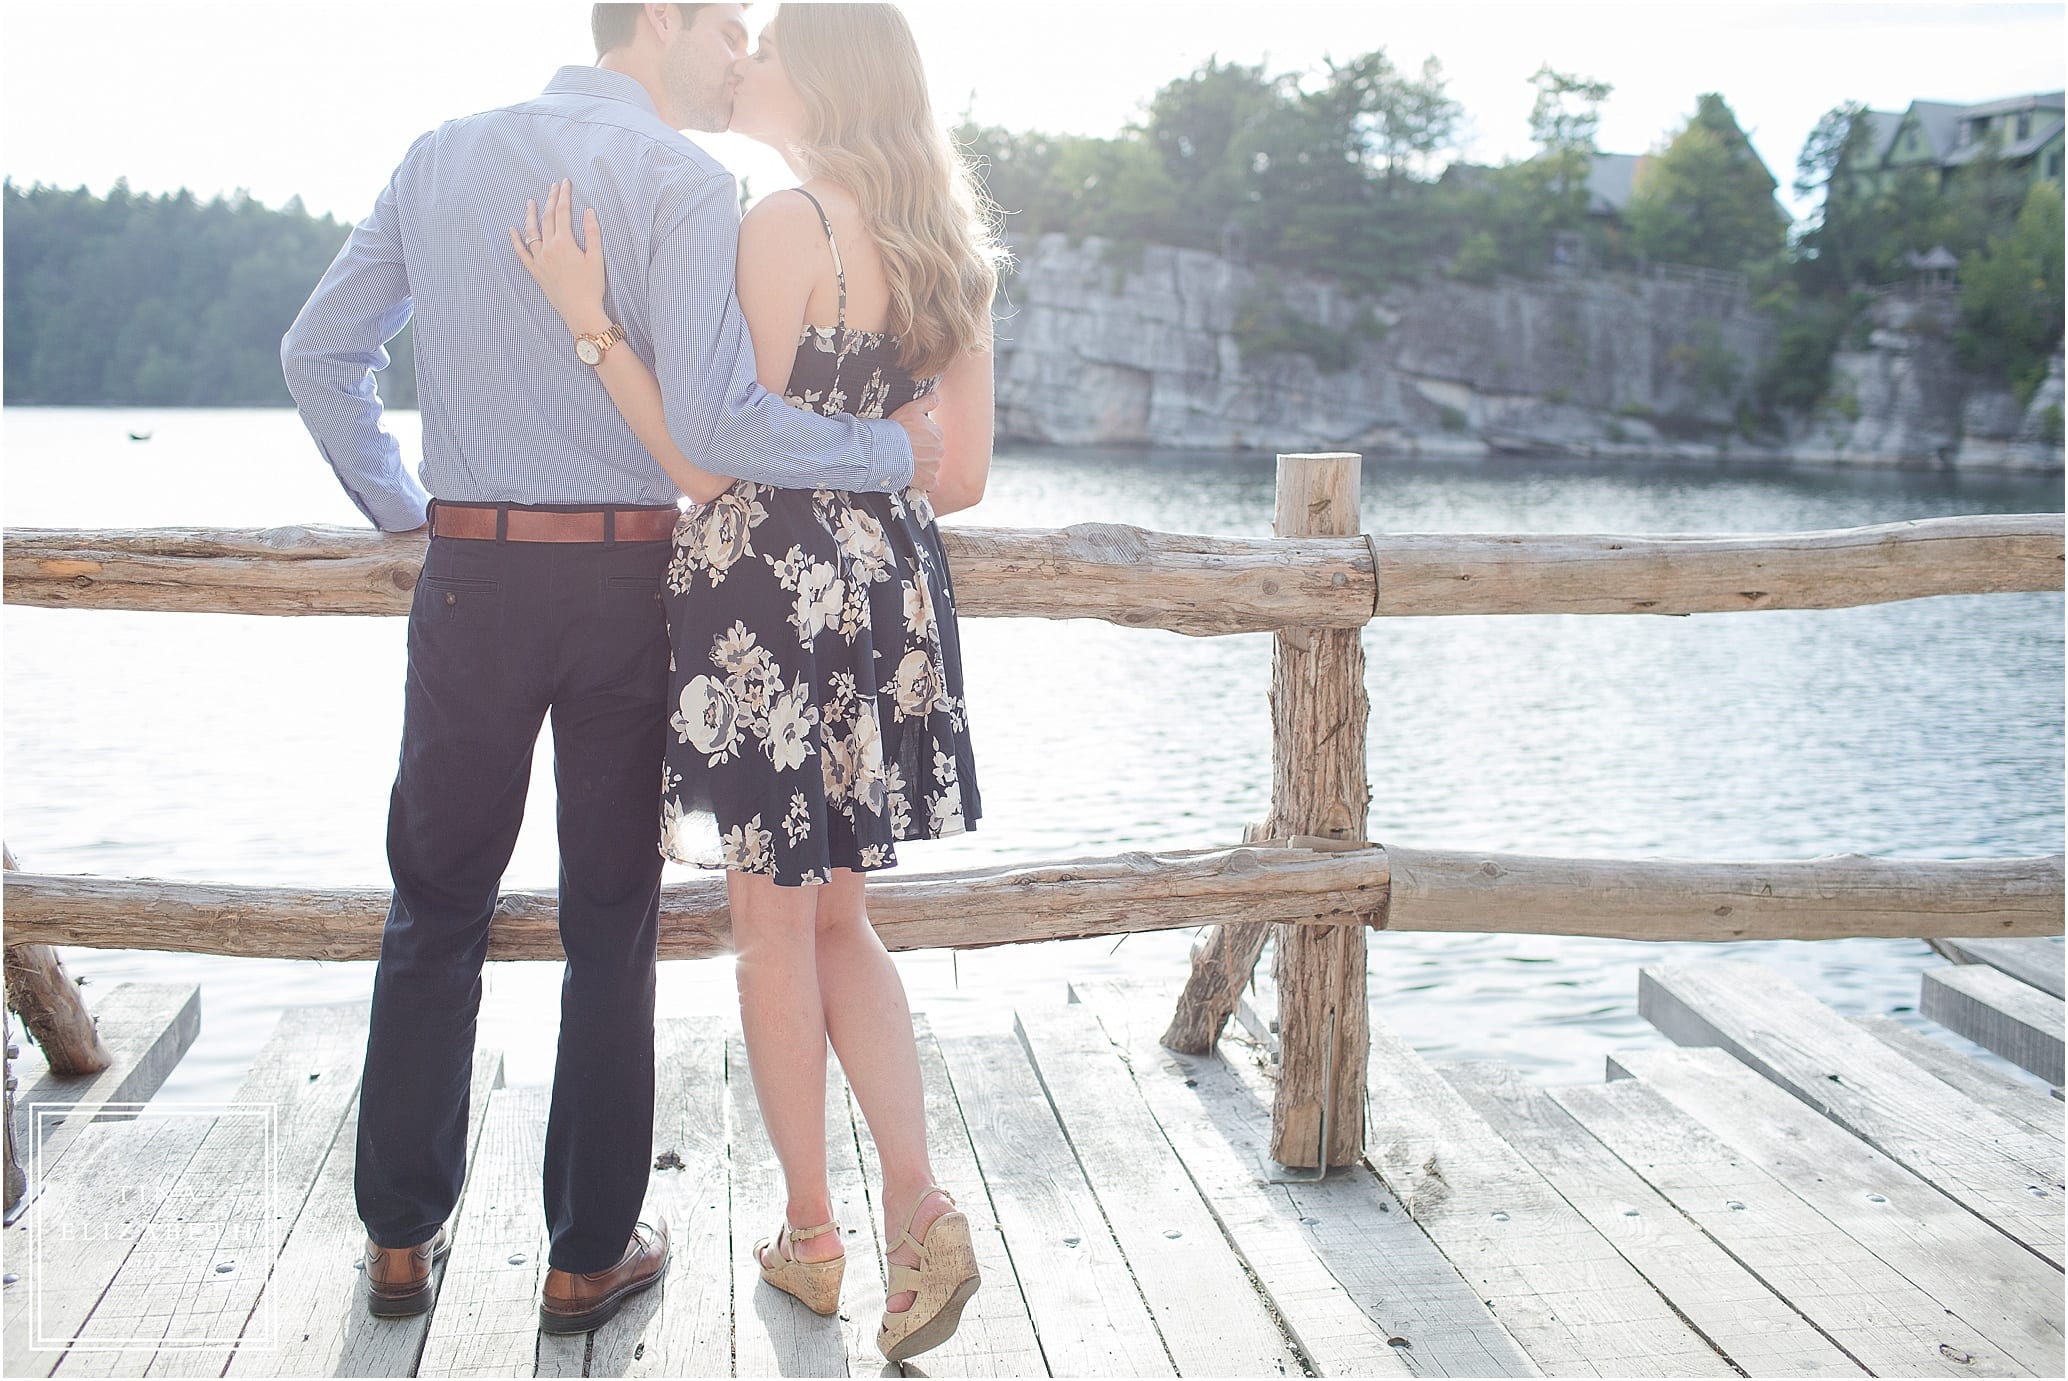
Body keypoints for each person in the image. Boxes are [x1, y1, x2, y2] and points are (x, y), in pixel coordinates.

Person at [280, 1, 942, 1336]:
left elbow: (318, 356)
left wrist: (411, 510)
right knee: (609, 920)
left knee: (436, 901)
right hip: (626, 581)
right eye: (728, 26)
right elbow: (714, 421)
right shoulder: (683, 180)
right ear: (659, 19)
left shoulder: (440, 154)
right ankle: (586, 1255)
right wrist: (892, 455)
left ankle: (399, 1235)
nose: (741, 55)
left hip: (467, 574)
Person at [512, 2, 999, 1361]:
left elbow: (712, 455)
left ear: (826, 79)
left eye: (772, 43)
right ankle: (919, 1202)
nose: (748, 61)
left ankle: (814, 1232)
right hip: (891, 593)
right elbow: (956, 477)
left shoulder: (784, 226)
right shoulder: (952, 249)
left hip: (770, 601)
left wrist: (589, 326)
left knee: (771, 928)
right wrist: (871, 449)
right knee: (841, 921)